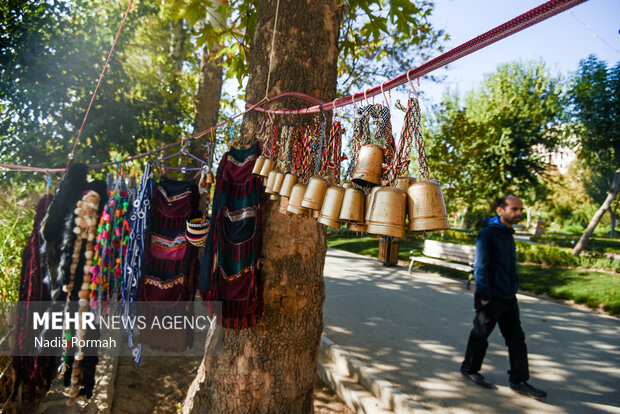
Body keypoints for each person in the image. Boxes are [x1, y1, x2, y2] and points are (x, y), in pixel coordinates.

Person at [460, 195, 547, 399]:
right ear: (501, 210)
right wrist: (484, 295)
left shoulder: (507, 233)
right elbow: (480, 266)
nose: (518, 213)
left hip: (508, 296)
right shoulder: (489, 233)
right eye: (514, 209)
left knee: (517, 339)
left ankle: (518, 380)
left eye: (520, 209)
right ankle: (469, 369)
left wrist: (513, 286)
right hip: (490, 297)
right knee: (480, 335)